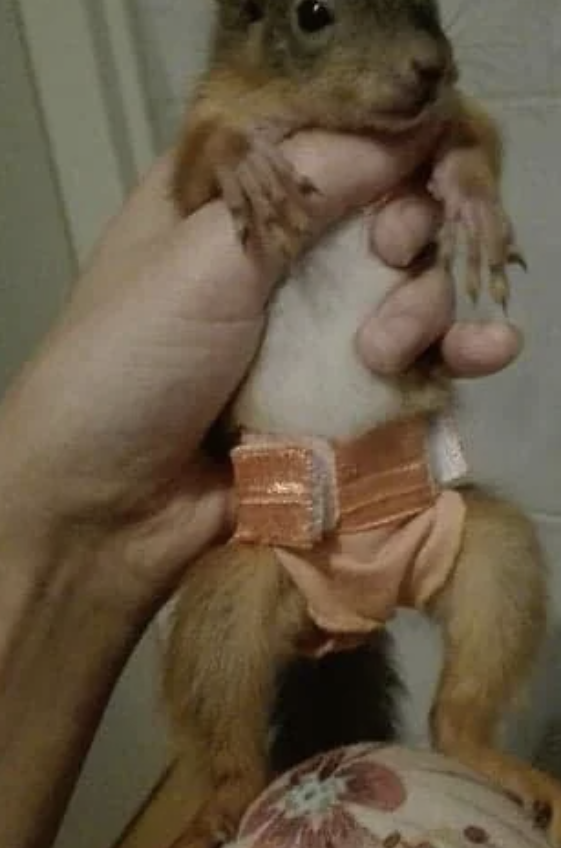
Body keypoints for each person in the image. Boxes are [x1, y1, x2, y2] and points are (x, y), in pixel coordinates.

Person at [0, 130, 523, 848]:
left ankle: (464, 724)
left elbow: (469, 136)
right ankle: (229, 775)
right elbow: (204, 154)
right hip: (282, 525)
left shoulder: (418, 131)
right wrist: (228, 160)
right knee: (224, 604)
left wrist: (469, 186)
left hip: (406, 495)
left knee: (499, 547)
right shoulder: (241, 123)